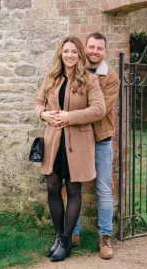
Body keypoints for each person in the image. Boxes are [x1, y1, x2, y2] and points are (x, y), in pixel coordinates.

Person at [34, 36, 106, 262]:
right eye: (66, 51)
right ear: (61, 53)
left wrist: (70, 117)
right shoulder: (52, 77)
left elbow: (99, 109)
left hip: (78, 143)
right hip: (54, 142)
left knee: (74, 190)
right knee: (53, 186)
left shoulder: (88, 80)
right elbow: (38, 102)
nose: (70, 55)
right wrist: (43, 114)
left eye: (74, 51)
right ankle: (58, 236)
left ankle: (66, 240)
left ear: (79, 54)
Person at [72, 32, 119, 259]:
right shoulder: (75, 71)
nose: (94, 52)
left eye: (99, 48)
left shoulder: (111, 78)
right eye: (91, 47)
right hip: (78, 139)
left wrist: (73, 114)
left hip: (101, 140)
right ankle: (72, 233)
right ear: (85, 47)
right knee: (75, 187)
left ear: (104, 51)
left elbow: (98, 110)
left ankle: (105, 237)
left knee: (103, 189)